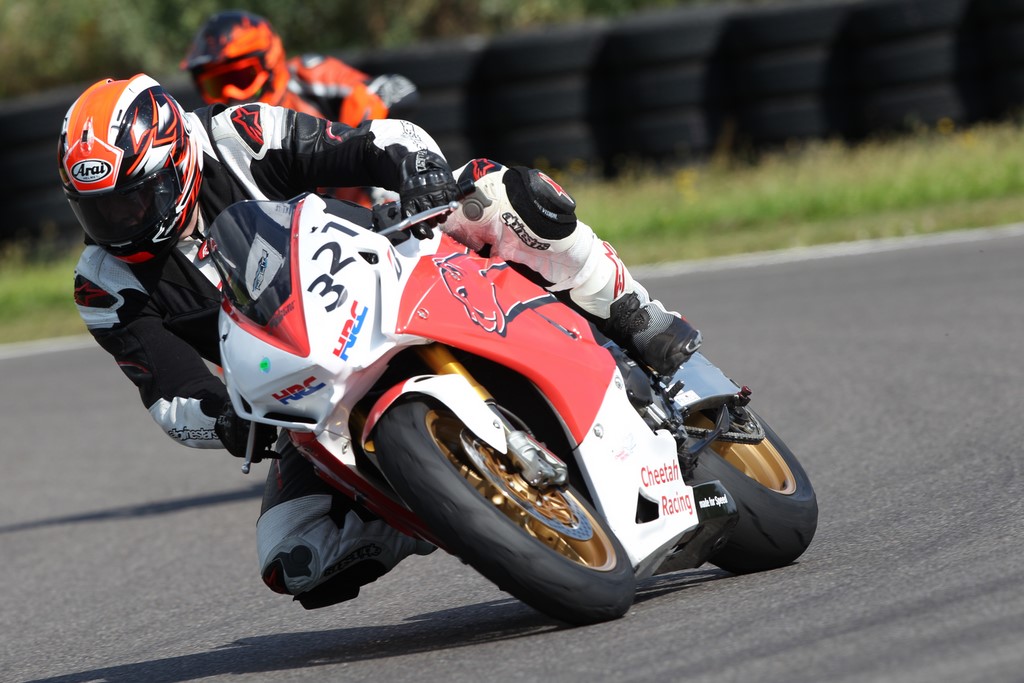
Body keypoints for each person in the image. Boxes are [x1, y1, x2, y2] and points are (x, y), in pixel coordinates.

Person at [61, 74, 701, 610]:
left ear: (176, 161)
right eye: (98, 211)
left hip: (378, 265)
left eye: (132, 202)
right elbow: (171, 395)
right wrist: (225, 418)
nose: (119, 224)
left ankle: (635, 314)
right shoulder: (104, 285)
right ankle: (443, 504)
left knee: (499, 194)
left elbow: (369, 143)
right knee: (296, 556)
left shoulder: (238, 134)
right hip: (307, 388)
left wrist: (414, 168)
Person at [182, 9, 417, 207]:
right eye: (216, 86)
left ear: (270, 62)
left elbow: (395, 87)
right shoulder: (207, 139)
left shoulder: (310, 76)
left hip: (365, 214)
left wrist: (359, 135)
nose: (231, 96)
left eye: (241, 78)